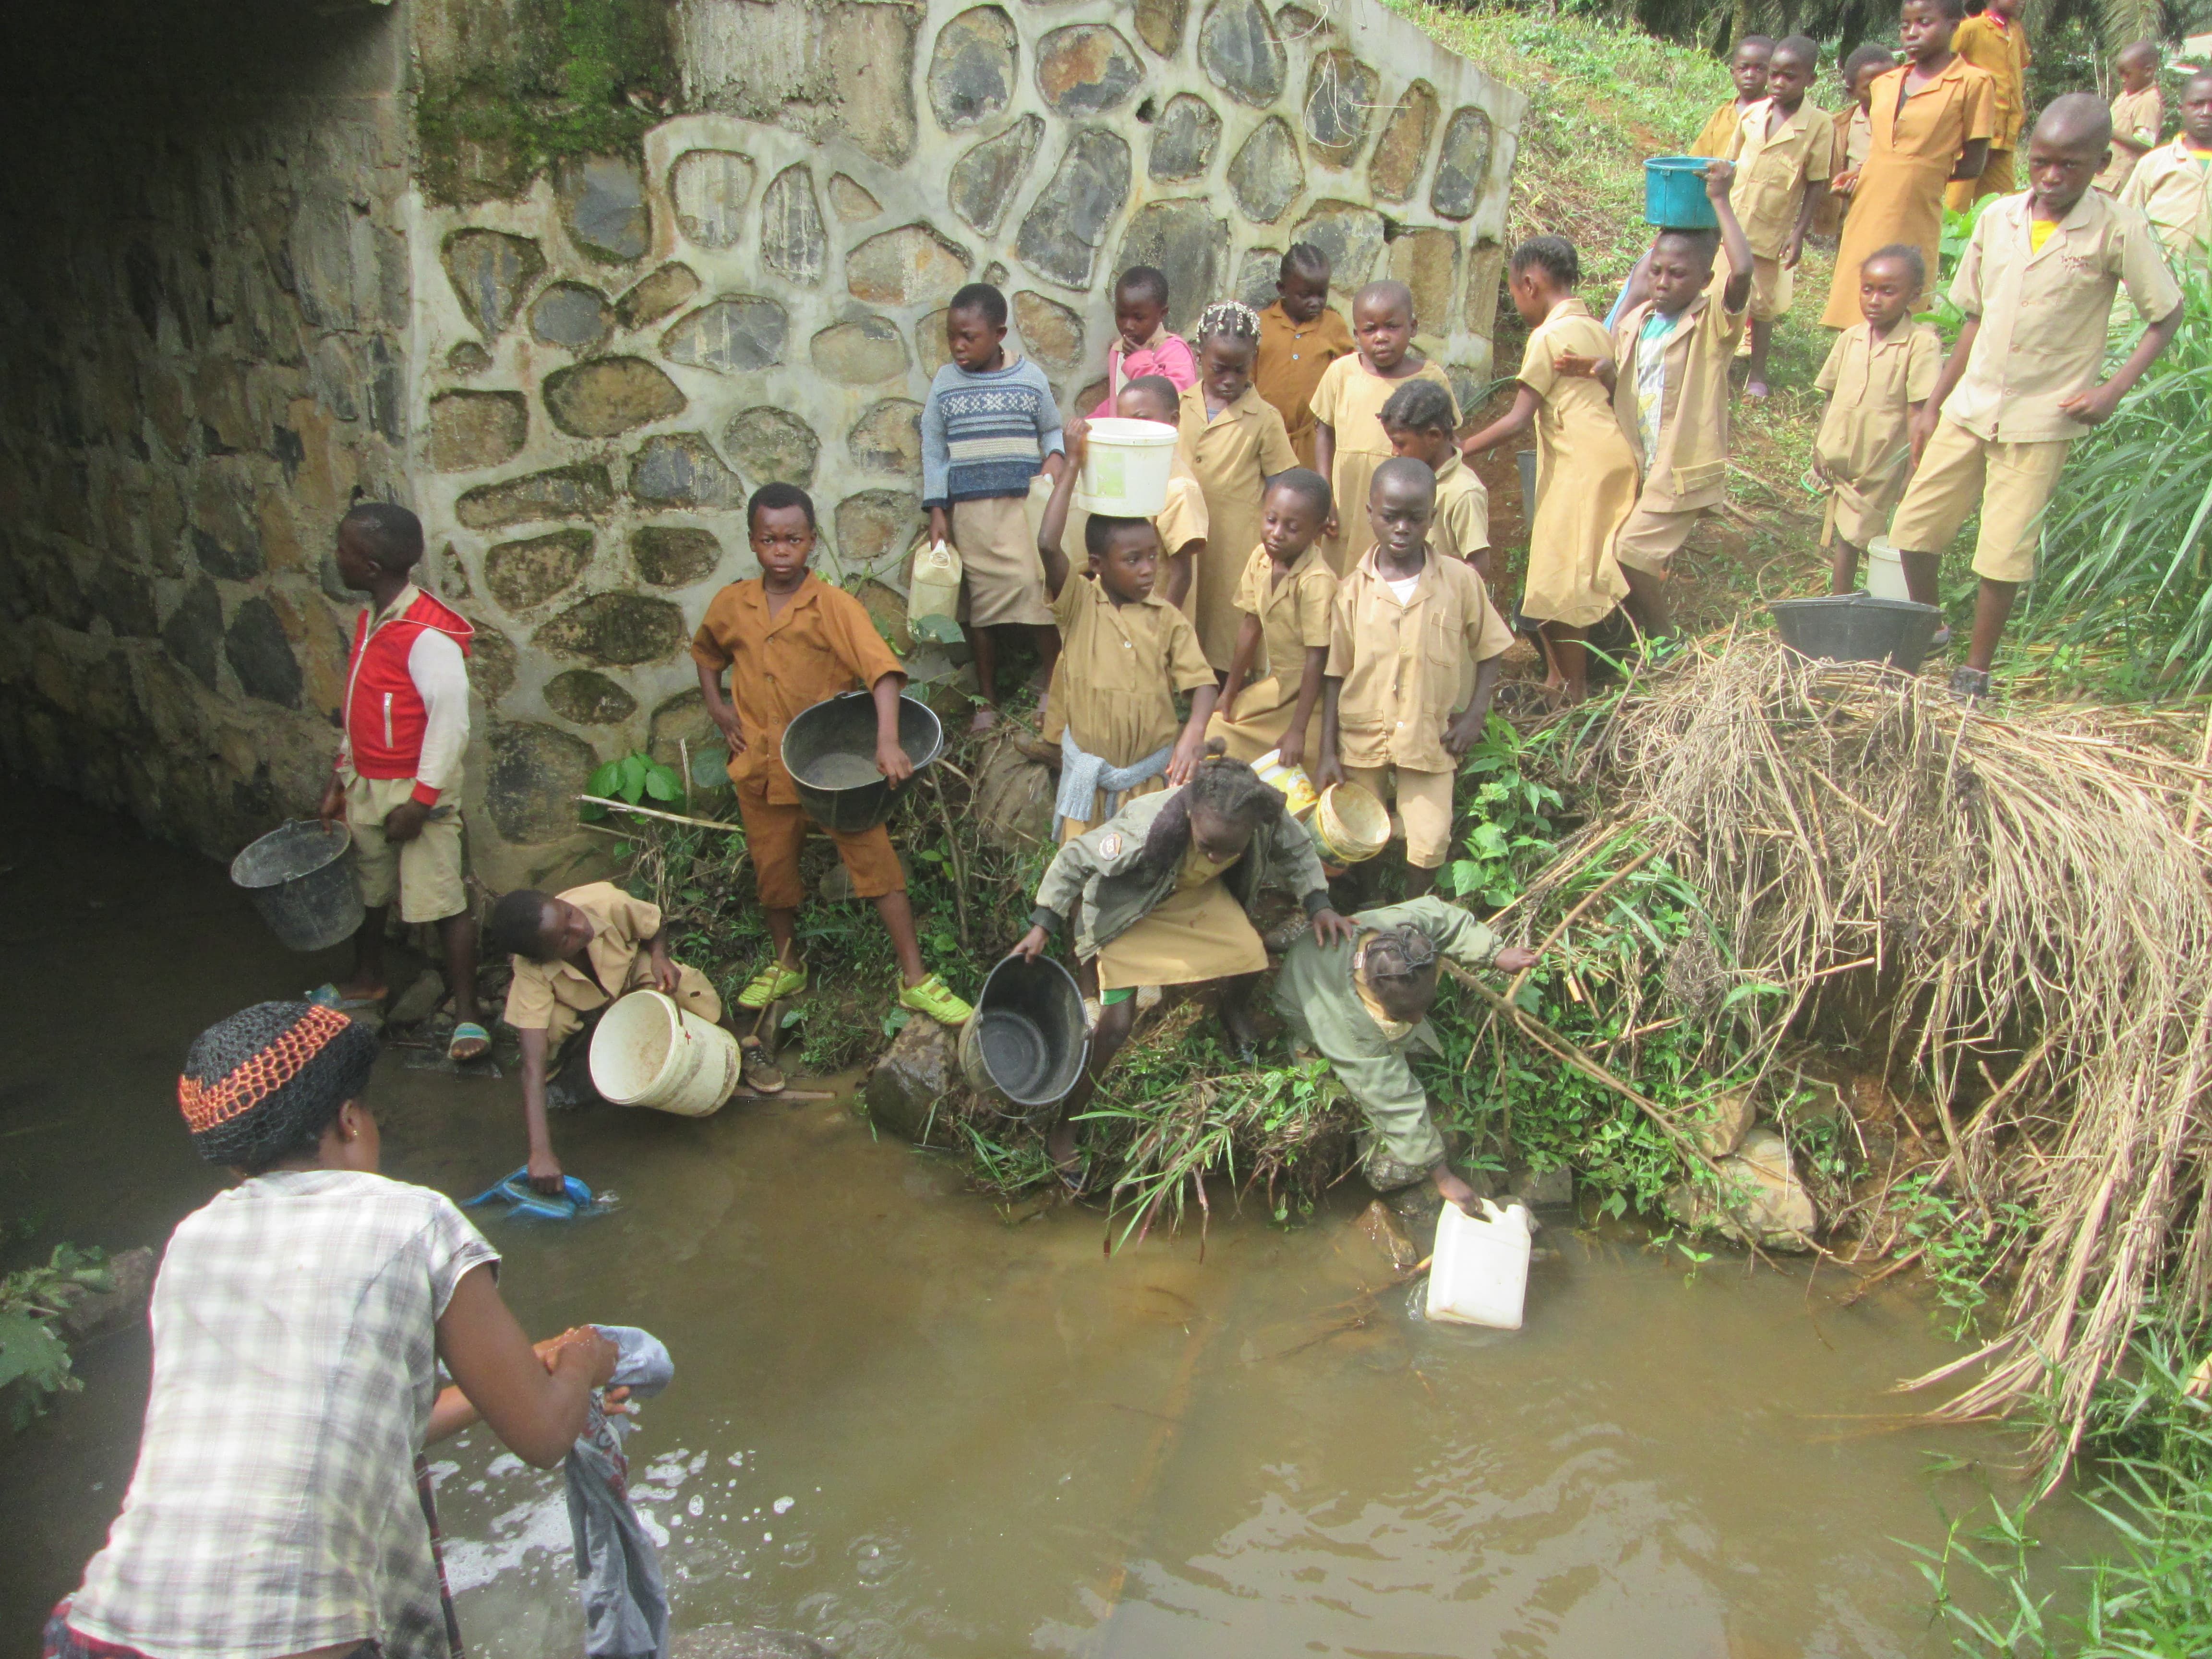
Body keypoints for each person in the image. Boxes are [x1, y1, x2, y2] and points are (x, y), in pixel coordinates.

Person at [45, 1000, 617, 1659]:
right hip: (288, 1641)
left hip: (103, 1629)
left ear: (240, 1165)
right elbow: (545, 1435)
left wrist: (531, 1365)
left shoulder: (195, 1239)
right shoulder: (414, 1219)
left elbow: (355, 1424)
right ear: (350, 1122)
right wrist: (581, 1363)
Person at [1887, 94, 2186, 701]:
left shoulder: (2118, 228)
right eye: (2042, 161)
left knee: (2003, 554)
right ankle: (1933, 624)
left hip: (2042, 417)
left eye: (2070, 166)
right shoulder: (1999, 218)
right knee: (1913, 532)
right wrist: (1932, 405)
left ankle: (1976, 669)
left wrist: (2110, 391)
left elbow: (2166, 314)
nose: (2051, 177)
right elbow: (1973, 317)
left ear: (2102, 162)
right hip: (1970, 406)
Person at [692, 481, 975, 1029]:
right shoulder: (733, 605)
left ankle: (914, 979)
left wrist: (887, 741)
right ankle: (787, 964)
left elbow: (883, 674)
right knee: (772, 870)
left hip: (835, 775)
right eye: (769, 539)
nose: (781, 551)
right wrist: (718, 709)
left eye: (793, 539)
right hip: (762, 767)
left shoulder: (834, 608)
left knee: (879, 866)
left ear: (812, 542)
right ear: (752, 542)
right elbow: (707, 652)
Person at [1011, 757, 1357, 1179]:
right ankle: (1066, 1126)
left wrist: (1319, 904)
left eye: (1231, 850)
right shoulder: (1146, 827)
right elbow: (1075, 858)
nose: (1216, 856)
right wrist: (1043, 922)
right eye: (1207, 845)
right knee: (1116, 1026)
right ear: (1191, 813)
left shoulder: (1260, 814)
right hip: (1128, 909)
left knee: (1251, 954)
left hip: (1193, 901)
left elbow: (1299, 847)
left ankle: (1233, 1013)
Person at [313, 502, 487, 1064]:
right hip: (370, 781)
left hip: (414, 789)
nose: (335, 556)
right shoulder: (375, 620)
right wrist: (342, 777)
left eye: (343, 549)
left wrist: (422, 799)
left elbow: (451, 722)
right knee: (369, 890)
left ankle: (467, 1014)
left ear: (368, 566)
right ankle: (368, 979)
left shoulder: (425, 636)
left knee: (444, 899)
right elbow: (360, 708)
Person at [1316, 458, 1515, 899]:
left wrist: (1474, 717)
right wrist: (1327, 747)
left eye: (1415, 517)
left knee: (1430, 835)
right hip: (1363, 735)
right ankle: (1371, 902)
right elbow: (1335, 673)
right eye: (1390, 517)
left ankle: (1414, 910)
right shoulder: (1352, 590)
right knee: (1361, 827)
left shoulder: (1460, 582)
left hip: (1430, 736)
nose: (1402, 528)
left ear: (1433, 517)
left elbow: (1493, 647)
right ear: (1370, 513)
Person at [1273, 898, 1539, 1211]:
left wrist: (1495, 953)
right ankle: (1308, 1048)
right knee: (1350, 1080)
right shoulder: (1354, 1028)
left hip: (1325, 958)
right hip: (1301, 995)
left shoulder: (1404, 934)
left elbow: (1441, 916)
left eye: (1420, 1008)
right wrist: (1442, 1176)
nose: (1416, 1019)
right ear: (1375, 994)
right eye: (1404, 1013)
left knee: (1410, 1033)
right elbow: (1392, 1101)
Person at [1461, 236, 1636, 704]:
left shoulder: (1547, 337)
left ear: (1530, 285)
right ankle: (1558, 677)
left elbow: (1518, 419)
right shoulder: (1599, 330)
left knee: (1568, 576)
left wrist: (1461, 449)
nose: (1517, 303)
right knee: (1563, 567)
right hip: (1611, 456)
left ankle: (1574, 690)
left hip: (1583, 463)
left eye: (1515, 293)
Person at [486, 882, 740, 1190]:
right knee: (548, 1028)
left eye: (569, 914)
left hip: (631, 970)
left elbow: (653, 927)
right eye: (565, 938)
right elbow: (531, 1065)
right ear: (543, 957)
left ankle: (745, 1046)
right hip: (580, 997)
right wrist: (540, 1153)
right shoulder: (531, 971)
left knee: (687, 985)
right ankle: (565, 1063)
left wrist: (660, 957)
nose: (579, 927)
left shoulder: (606, 903)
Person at [1036, 428, 1219, 838]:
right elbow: (1048, 545)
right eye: (1133, 560)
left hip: (1149, 784)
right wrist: (1073, 465)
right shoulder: (1079, 605)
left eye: (1153, 556)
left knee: (1146, 873)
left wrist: (1195, 732)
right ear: (1098, 564)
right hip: (1091, 786)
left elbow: (1203, 684)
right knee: (1083, 878)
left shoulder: (1166, 619)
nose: (1148, 569)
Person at [1609, 161, 1755, 639]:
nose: (1664, 282)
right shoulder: (1637, 322)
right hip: (1638, 463)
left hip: (1679, 469)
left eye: (1678, 273)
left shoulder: (1710, 325)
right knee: (1611, 549)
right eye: (1657, 272)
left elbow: (1744, 272)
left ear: (1704, 279)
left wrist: (1719, 200)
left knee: (1629, 551)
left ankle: (1663, 638)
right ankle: (1632, 635)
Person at [921, 281, 1066, 735]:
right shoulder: (945, 384)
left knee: (1036, 590)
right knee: (979, 609)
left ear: (1000, 333)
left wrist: (1055, 460)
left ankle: (1051, 686)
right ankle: (987, 698)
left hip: (1021, 510)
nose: (959, 346)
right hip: (972, 515)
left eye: (970, 337)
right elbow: (934, 451)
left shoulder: (1030, 378)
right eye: (952, 337)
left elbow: (1053, 431)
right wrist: (937, 511)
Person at [1820, 0, 1996, 330]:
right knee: (1857, 299)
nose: (1912, 33)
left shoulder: (1974, 83)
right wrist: (1862, 175)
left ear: (1954, 25)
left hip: (1915, 206)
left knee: (1902, 299)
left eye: (1924, 23)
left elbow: (1974, 163)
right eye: (1905, 25)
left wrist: (1921, 172)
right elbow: (1884, 150)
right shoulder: (1884, 85)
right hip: (1867, 206)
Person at [1177, 300, 1301, 669]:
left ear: (1254, 361)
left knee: (1224, 614)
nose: (1229, 379)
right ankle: (1182, 679)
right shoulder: (1179, 404)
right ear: (1200, 357)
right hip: (1183, 529)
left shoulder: (1265, 418)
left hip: (1235, 538)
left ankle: (1221, 688)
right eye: (1219, 369)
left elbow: (1281, 480)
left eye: (1240, 370)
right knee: (1188, 602)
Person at [1815, 245, 1942, 595]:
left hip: (1884, 459)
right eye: (1868, 289)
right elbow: (1830, 396)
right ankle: (1847, 601)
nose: (1875, 300)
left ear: (1914, 296)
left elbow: (1919, 412)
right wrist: (1819, 446)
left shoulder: (1921, 344)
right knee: (1848, 533)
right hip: (1842, 457)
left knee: (1865, 535)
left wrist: (1913, 471)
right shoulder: (1849, 339)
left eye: (1888, 292)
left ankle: (1863, 600)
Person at [1310, 280, 1458, 575]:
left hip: (1403, 506)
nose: (1381, 337)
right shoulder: (1341, 373)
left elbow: (1446, 442)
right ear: (1356, 335)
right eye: (1370, 330)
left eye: (1392, 327)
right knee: (1344, 580)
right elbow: (1324, 431)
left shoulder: (1431, 378)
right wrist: (1326, 491)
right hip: (1350, 500)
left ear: (1413, 327)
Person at [1724, 35, 1835, 398]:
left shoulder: (1819, 125)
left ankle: (1757, 373)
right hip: (1732, 218)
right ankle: (1720, 359)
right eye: (1774, 75)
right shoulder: (1754, 114)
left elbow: (1817, 182)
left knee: (1763, 302)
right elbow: (1730, 164)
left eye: (1790, 77)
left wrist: (1799, 232)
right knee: (1722, 290)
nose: (1778, 84)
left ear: (1810, 80)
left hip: (1771, 227)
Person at [1208, 469, 1338, 766]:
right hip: (1280, 685)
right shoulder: (1261, 558)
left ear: (1318, 531)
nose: (1277, 534)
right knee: (1216, 730)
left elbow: (1317, 660)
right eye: (1271, 520)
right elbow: (1250, 627)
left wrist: (1298, 730)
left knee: (1297, 757)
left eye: (1292, 528)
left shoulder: (1316, 581)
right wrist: (1229, 693)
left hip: (1312, 697)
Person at [1256, 243, 1357, 469]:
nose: (1316, 302)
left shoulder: (1333, 325)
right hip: (1265, 437)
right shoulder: (1261, 324)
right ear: (1282, 289)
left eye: (1322, 295)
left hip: (1314, 440)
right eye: (1305, 295)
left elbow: (1349, 375)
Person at [1381, 378, 1489, 578]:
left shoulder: (1464, 492)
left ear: (1434, 437)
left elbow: (1478, 565)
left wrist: (1447, 595)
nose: (1394, 452)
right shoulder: (1411, 480)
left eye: (1400, 444)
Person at [1945, 0, 2031, 213]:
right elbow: (1943, 65)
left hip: (2006, 132)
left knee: (2004, 204)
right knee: (1957, 202)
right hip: (1977, 128)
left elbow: (2019, 66)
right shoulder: (1971, 29)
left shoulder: (2015, 30)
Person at [2118, 68, 2212, 262]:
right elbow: (2123, 222)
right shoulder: (2156, 162)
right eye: (2197, 104)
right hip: (2158, 279)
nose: (2206, 112)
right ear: (2181, 109)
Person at [1088, 265, 1198, 416]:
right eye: (1121, 315)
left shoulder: (1173, 350)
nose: (1128, 326)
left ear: (1162, 314)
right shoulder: (1118, 350)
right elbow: (1118, 399)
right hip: (1125, 436)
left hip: (1158, 439)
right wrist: (1092, 422)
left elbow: (1180, 398)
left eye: (1139, 318)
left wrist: (1139, 363)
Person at [1817, 45, 1901, 238]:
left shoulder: (1912, 123)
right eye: (1872, 86)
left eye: (1891, 82)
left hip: (1902, 223)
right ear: (1851, 91)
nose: (1885, 90)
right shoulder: (1840, 128)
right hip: (1855, 225)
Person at [1691, 36, 1778, 157]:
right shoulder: (1722, 114)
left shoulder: (1777, 113)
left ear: (1772, 73)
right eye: (1743, 68)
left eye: (1760, 69)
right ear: (1733, 72)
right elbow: (1698, 158)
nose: (1750, 75)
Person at [2097, 41, 2165, 195]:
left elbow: (2145, 144)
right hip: (2101, 176)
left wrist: (2109, 132)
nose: (2122, 79)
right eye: (2120, 73)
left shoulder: (2149, 101)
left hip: (2118, 183)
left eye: (2127, 74)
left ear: (2148, 71)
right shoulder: (2125, 96)